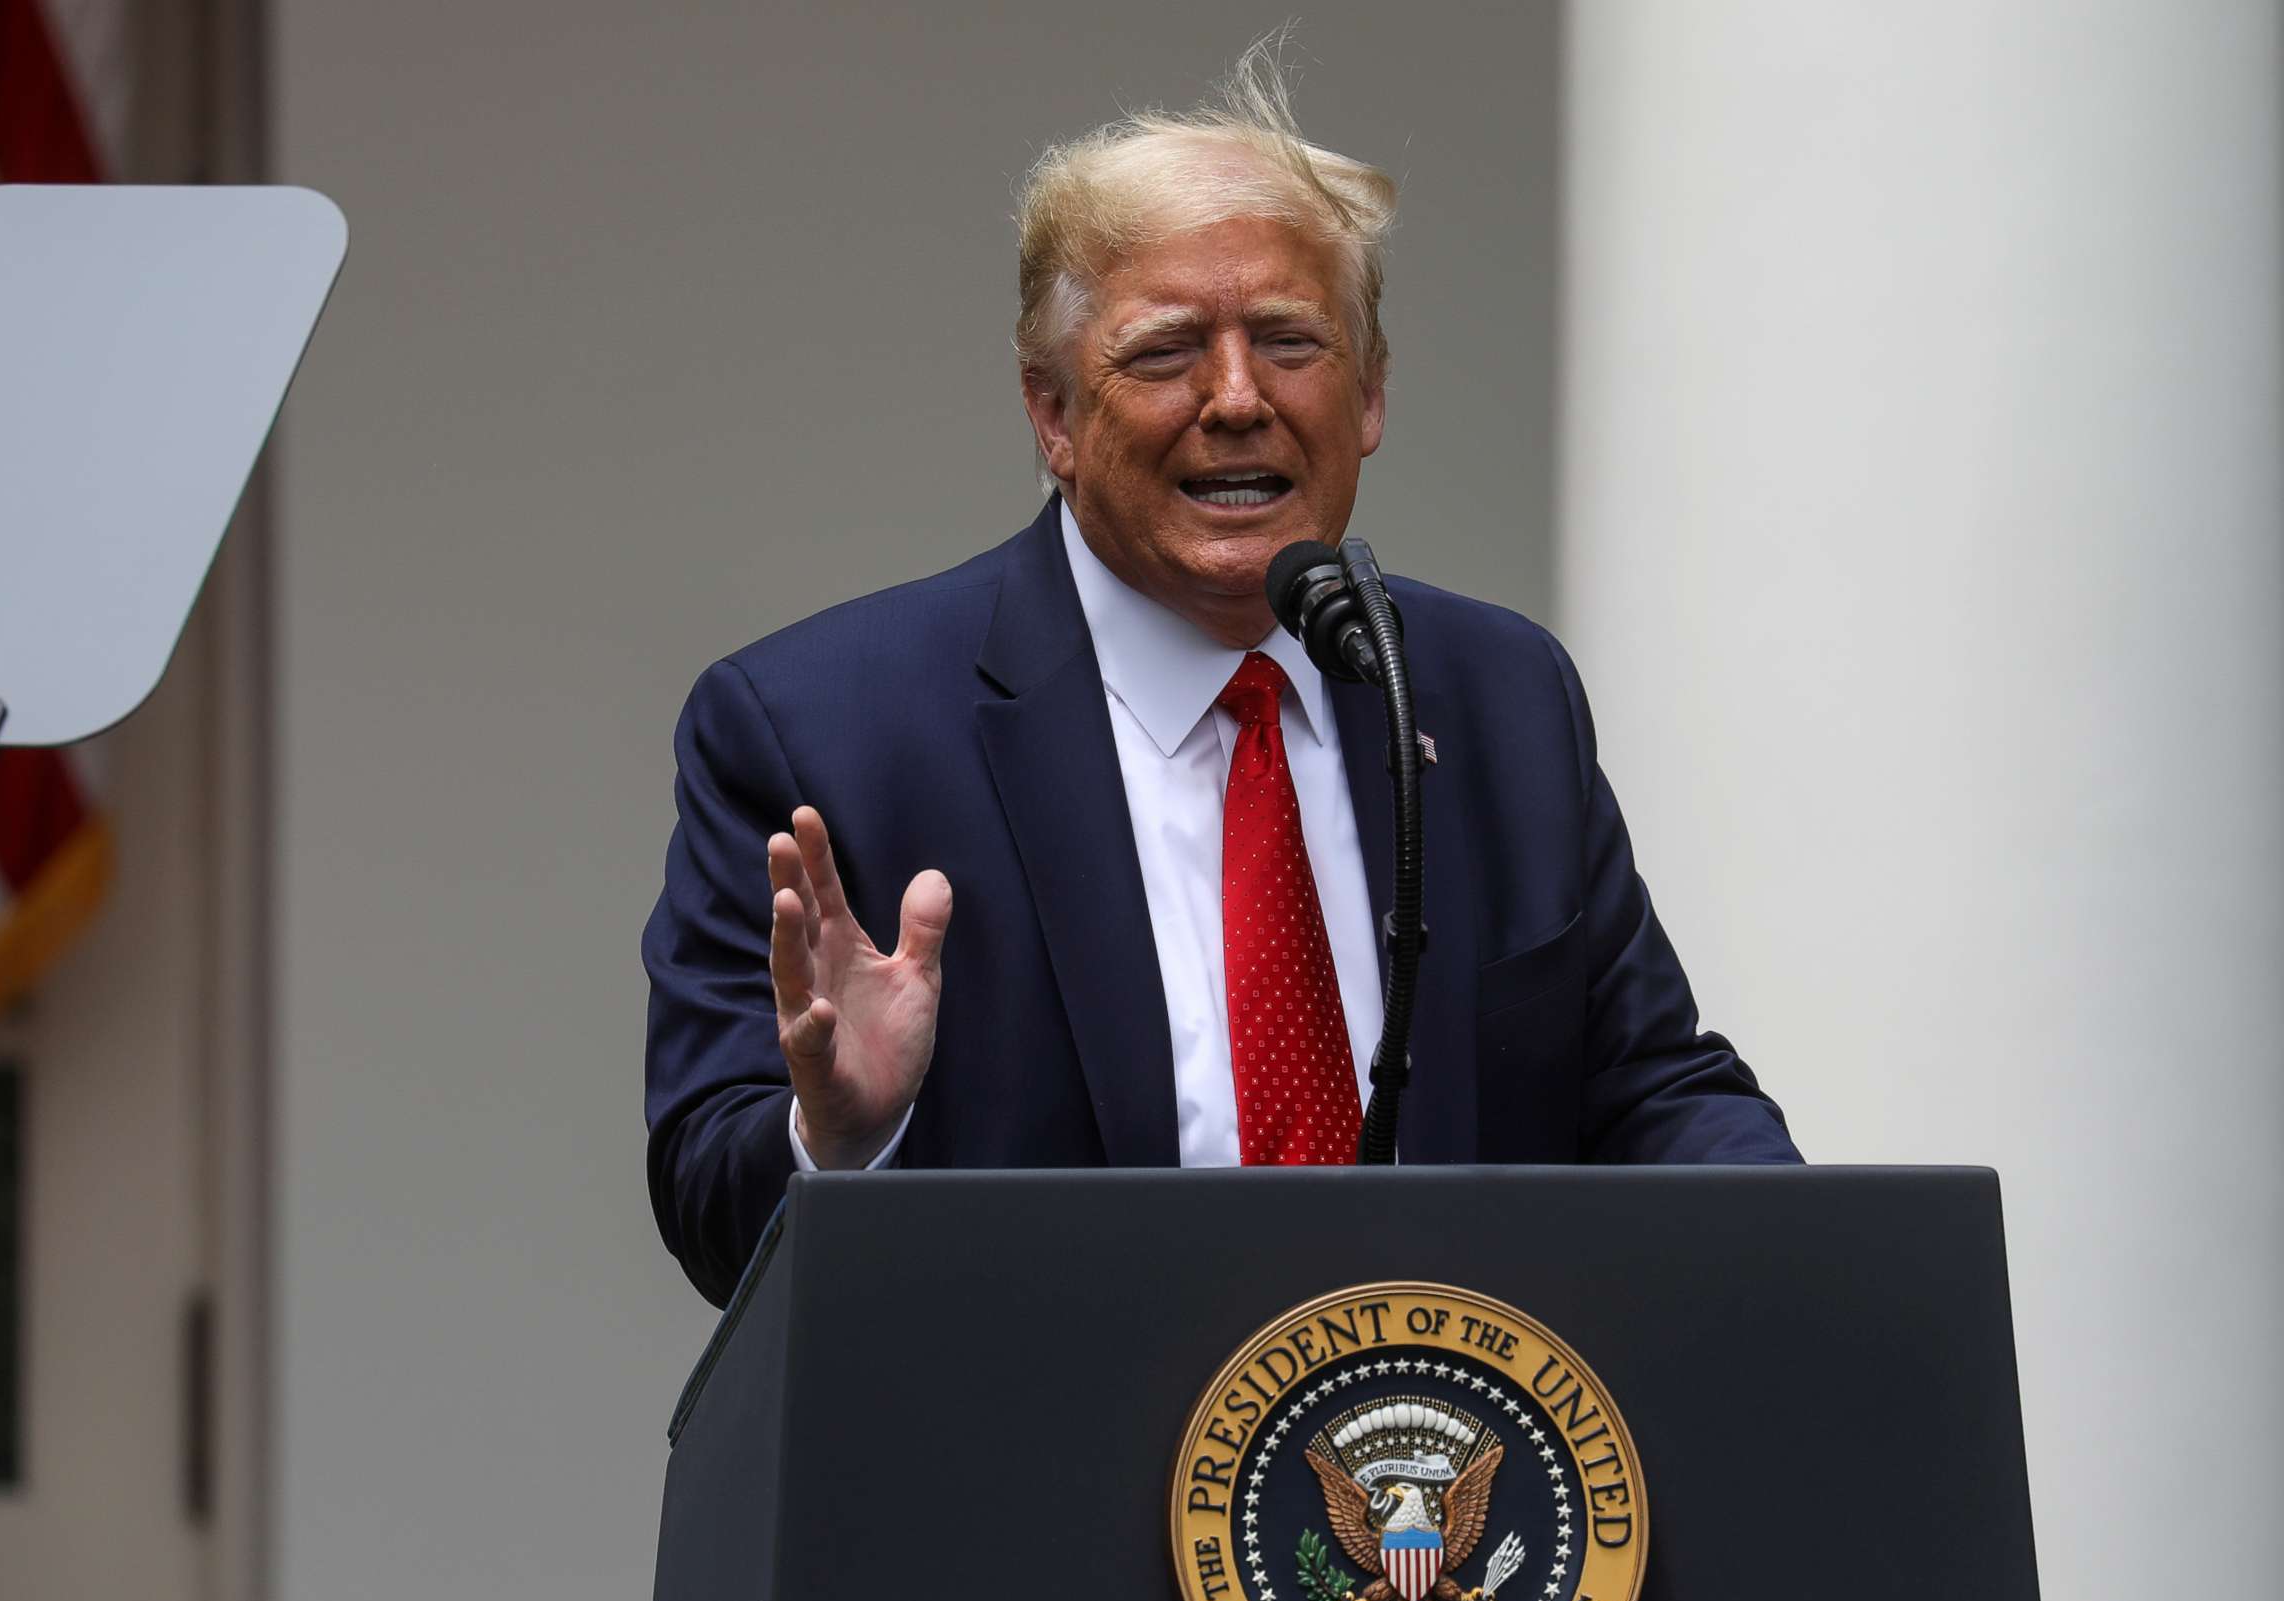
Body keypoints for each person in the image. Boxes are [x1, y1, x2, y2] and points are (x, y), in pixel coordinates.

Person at [642, 45, 1796, 1306]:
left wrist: (1830, 1266)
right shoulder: (821, 730)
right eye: (1165, 352)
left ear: (1370, 398)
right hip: (1030, 1477)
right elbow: (711, 1200)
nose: (1237, 399)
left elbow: (1645, 1091)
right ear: (1052, 417)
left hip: (1422, 1472)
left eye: (1291, 342)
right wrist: (841, 1138)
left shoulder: (1493, 696)